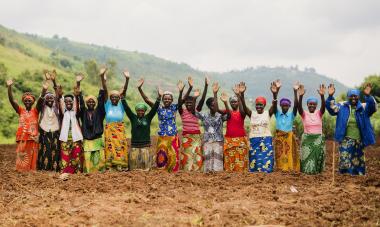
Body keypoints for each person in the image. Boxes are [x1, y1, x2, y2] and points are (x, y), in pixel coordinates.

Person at [139, 78, 192, 172]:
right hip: (162, 136)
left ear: (172, 100)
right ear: (162, 99)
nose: (167, 100)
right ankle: (162, 172)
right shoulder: (159, 108)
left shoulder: (174, 107)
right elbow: (147, 100)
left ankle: (173, 172)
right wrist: (140, 88)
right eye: (165, 98)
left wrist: (185, 90)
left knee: (173, 155)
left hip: (172, 136)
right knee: (161, 155)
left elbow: (182, 100)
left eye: (169, 99)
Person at [326, 83, 377, 175]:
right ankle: (345, 176)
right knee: (345, 159)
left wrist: (368, 95)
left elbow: (373, 107)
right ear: (348, 97)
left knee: (358, 160)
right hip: (346, 138)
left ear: (358, 97)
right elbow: (331, 109)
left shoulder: (364, 107)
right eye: (351, 96)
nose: (353, 98)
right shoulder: (342, 106)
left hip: (359, 139)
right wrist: (330, 96)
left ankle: (358, 177)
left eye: (356, 96)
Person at [121, 77, 162, 170]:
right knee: (133, 166)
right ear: (136, 111)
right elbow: (127, 109)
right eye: (138, 110)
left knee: (145, 167)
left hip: (145, 146)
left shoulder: (148, 117)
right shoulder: (133, 117)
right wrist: (122, 98)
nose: (140, 112)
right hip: (134, 145)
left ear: (144, 111)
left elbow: (155, 108)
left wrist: (159, 98)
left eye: (142, 110)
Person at [239, 81, 277, 173]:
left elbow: (274, 106)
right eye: (257, 105)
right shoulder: (252, 114)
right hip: (254, 139)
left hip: (266, 139)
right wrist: (242, 94)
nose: (258, 106)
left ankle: (266, 174)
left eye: (261, 105)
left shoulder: (268, 113)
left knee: (266, 159)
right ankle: (255, 174)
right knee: (254, 159)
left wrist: (275, 94)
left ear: (264, 105)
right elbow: (244, 107)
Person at [195, 82, 230, 172]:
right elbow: (193, 112)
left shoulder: (220, 116)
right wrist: (195, 98)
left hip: (218, 141)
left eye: (216, 105)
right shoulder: (204, 115)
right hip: (208, 141)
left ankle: (217, 180)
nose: (215, 107)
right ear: (209, 106)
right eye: (212, 105)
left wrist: (216, 94)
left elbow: (229, 116)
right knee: (208, 162)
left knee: (218, 163)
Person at [7, 79, 39, 171]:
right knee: (22, 156)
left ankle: (31, 171)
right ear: (23, 102)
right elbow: (12, 100)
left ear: (33, 102)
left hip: (33, 138)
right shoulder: (20, 110)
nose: (27, 101)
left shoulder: (36, 111)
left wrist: (44, 89)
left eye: (30, 100)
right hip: (22, 137)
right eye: (26, 100)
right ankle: (21, 172)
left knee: (32, 155)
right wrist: (9, 87)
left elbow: (41, 100)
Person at [101, 68, 130, 171]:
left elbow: (124, 92)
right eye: (112, 97)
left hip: (119, 130)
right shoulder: (107, 105)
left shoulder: (121, 106)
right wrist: (102, 77)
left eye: (116, 97)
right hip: (109, 130)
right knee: (109, 148)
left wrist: (127, 79)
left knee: (120, 147)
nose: (114, 99)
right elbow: (105, 90)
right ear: (110, 98)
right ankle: (110, 167)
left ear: (119, 98)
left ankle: (121, 166)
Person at [77, 72, 106, 173]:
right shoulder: (83, 112)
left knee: (98, 160)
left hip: (97, 140)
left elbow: (101, 98)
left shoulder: (99, 112)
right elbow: (80, 99)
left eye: (93, 101)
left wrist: (102, 80)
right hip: (87, 140)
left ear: (95, 103)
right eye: (89, 101)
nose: (91, 103)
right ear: (86, 103)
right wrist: (78, 83)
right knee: (88, 159)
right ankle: (87, 175)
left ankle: (98, 175)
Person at [179, 77, 208, 171]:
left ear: (194, 103)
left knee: (197, 155)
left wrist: (206, 86)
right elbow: (180, 102)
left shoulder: (196, 111)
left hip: (196, 136)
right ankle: (186, 172)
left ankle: (197, 173)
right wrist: (185, 89)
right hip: (186, 137)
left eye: (190, 103)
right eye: (187, 103)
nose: (188, 104)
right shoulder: (182, 111)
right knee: (186, 156)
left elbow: (202, 100)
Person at [219, 83, 248, 172]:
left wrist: (239, 95)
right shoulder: (229, 112)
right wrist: (224, 102)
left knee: (241, 158)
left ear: (238, 102)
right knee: (229, 159)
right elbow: (218, 110)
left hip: (241, 139)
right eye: (231, 102)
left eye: (235, 101)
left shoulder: (242, 113)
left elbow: (244, 111)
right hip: (229, 140)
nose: (233, 103)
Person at [298, 84, 326, 174]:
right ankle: (306, 172)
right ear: (307, 105)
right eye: (310, 104)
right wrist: (301, 96)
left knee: (316, 156)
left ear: (316, 105)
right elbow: (299, 108)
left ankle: (316, 173)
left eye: (314, 104)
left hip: (318, 139)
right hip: (307, 140)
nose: (312, 105)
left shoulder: (319, 113)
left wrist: (322, 96)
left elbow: (323, 107)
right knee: (306, 157)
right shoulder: (304, 114)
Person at [37, 70, 61, 171]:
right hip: (44, 131)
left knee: (55, 150)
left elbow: (58, 95)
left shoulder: (56, 107)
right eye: (48, 98)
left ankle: (55, 170)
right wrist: (45, 86)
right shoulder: (42, 107)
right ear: (45, 100)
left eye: (52, 98)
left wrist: (54, 81)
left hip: (55, 131)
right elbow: (41, 98)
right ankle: (45, 169)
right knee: (45, 150)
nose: (50, 99)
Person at [273, 81, 300, 172]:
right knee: (279, 152)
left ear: (289, 107)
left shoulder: (291, 115)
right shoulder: (277, 114)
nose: (285, 107)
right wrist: (276, 92)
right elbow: (274, 104)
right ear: (280, 106)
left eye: (287, 106)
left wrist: (295, 91)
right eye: (283, 105)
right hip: (279, 137)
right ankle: (280, 167)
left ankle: (288, 167)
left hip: (288, 137)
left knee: (288, 152)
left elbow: (296, 105)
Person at [58, 79, 84, 174]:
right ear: (64, 103)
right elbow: (59, 100)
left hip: (76, 139)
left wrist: (78, 84)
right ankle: (65, 173)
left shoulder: (75, 113)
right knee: (65, 158)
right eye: (66, 101)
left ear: (73, 103)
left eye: (70, 101)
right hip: (65, 139)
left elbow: (77, 101)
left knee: (76, 158)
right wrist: (60, 95)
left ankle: (77, 173)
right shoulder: (63, 113)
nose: (68, 102)